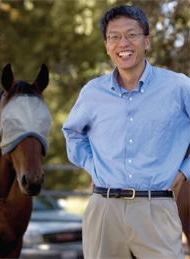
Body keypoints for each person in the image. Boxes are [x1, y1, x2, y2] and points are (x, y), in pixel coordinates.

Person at [62, 5, 190, 259]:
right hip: (104, 209)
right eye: (114, 37)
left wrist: (184, 172)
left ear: (147, 41)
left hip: (156, 209)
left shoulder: (178, 87)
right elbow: (73, 134)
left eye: (132, 34)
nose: (124, 43)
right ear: (107, 45)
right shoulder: (92, 92)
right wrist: (94, 167)